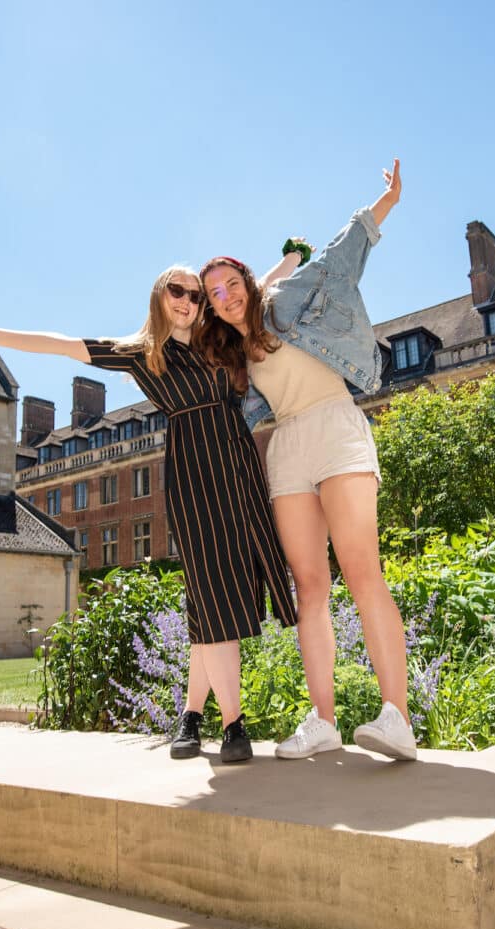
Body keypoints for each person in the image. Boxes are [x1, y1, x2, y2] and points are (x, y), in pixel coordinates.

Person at [0, 266, 297, 762]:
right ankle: (234, 725)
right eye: (178, 290)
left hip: (237, 465)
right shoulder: (140, 351)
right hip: (193, 470)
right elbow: (64, 345)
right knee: (214, 597)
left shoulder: (215, 336)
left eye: (195, 294)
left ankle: (191, 717)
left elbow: (246, 288)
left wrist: (288, 262)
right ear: (159, 295)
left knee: (215, 600)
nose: (188, 300)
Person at [195, 159, 416, 761]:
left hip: (336, 426)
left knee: (362, 572)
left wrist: (386, 202)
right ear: (211, 306)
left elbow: (343, 254)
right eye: (213, 293)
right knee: (309, 588)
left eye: (230, 282)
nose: (225, 295)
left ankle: (396, 716)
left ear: (247, 281)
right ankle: (324, 721)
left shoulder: (286, 298)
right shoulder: (230, 356)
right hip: (287, 445)